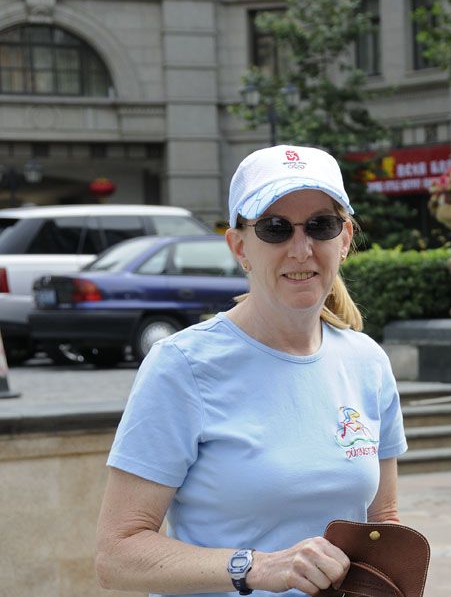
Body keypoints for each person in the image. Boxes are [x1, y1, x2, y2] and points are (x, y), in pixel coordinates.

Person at [94, 144, 407, 597]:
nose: (301, 249)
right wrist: (255, 567)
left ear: (343, 239)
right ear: (239, 245)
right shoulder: (181, 366)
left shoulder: (367, 362)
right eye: (275, 228)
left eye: (321, 225)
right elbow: (116, 556)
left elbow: (383, 524)